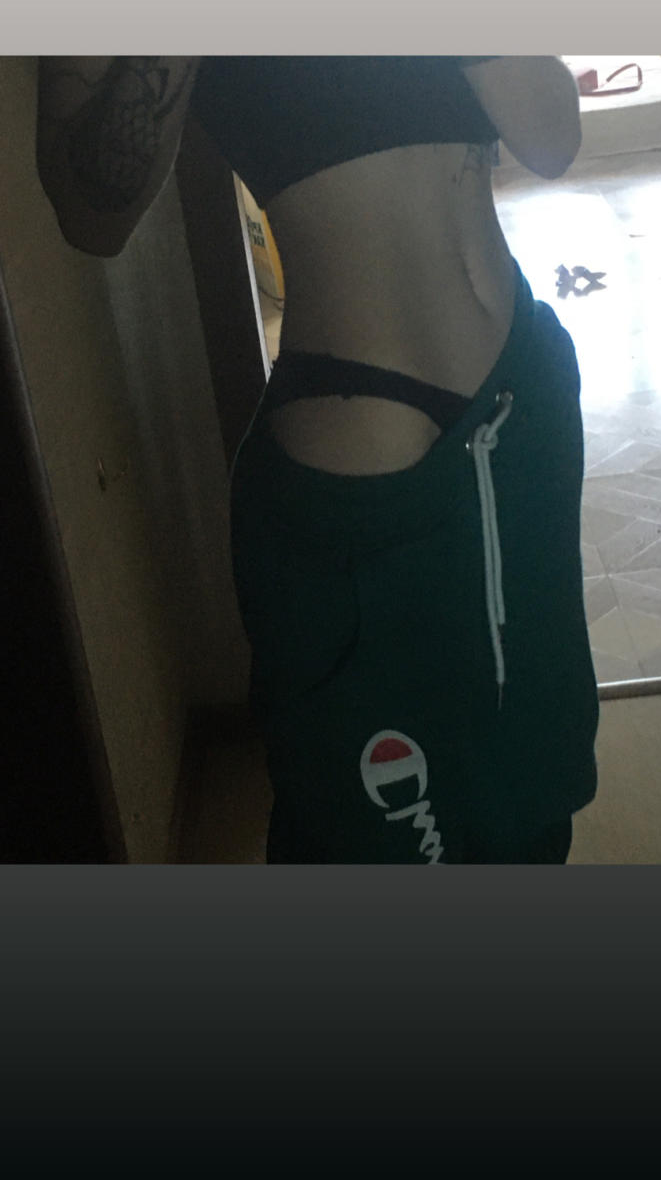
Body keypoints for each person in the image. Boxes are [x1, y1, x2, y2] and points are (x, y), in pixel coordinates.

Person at [36, 55, 599, 864]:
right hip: (369, 447)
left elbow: (552, 140)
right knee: (372, 832)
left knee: (532, 778)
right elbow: (90, 215)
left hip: (522, 402)